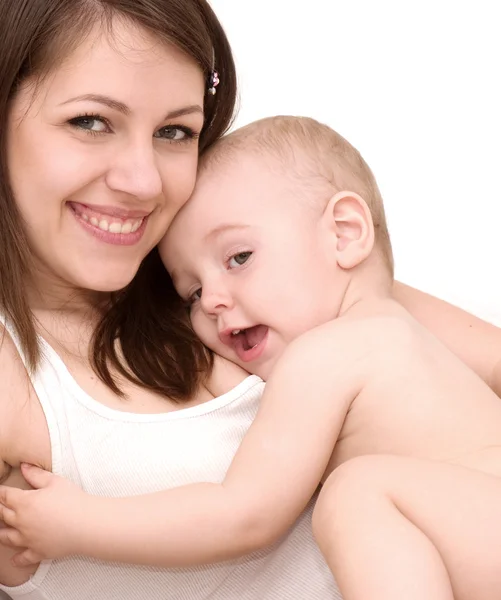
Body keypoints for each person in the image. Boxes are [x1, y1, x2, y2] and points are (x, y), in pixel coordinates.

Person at [0, 1, 500, 598]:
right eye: (89, 121)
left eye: (174, 131)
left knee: (358, 493)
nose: (144, 181)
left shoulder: (302, 290)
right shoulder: (225, 289)